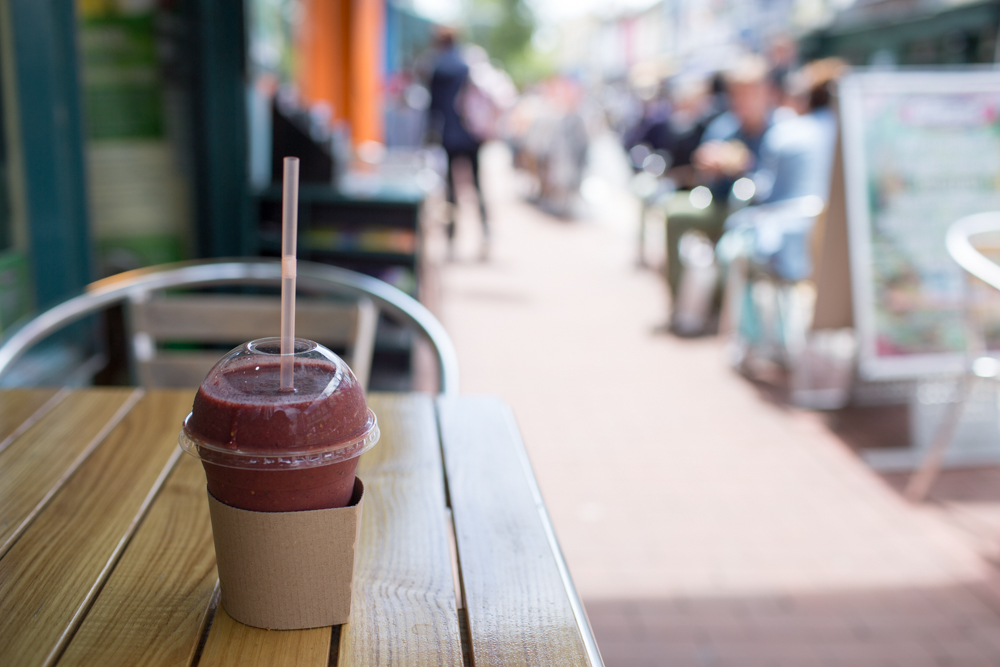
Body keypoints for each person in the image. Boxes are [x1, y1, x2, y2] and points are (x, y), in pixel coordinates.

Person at [664, 55, 776, 311]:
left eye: (749, 94)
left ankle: (720, 300)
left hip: (759, 212)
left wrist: (746, 168)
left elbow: (771, 184)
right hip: (722, 205)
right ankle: (684, 304)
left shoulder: (778, 131)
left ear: (764, 93)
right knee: (673, 211)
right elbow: (704, 170)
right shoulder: (724, 127)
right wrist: (710, 165)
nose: (743, 102)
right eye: (737, 95)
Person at [428, 28, 489, 258]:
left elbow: (433, 109)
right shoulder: (467, 66)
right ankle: (485, 234)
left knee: (451, 191)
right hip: (471, 136)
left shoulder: (438, 68)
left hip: (450, 137)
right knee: (477, 186)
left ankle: (451, 240)